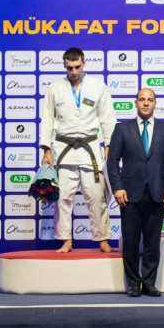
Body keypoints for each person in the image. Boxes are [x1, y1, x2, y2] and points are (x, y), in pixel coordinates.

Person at [107, 89, 164, 297]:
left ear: (155, 103)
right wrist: (117, 187)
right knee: (130, 242)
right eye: (142, 100)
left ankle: (149, 283)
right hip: (129, 194)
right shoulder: (122, 129)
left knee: (152, 241)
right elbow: (112, 161)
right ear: (136, 103)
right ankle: (133, 283)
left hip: (158, 193)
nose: (146, 103)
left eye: (150, 100)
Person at [40, 47, 115, 253]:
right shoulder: (55, 87)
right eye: (70, 67)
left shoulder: (97, 86)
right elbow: (47, 120)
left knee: (96, 196)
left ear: (84, 63)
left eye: (77, 67)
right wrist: (46, 150)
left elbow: (107, 117)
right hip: (63, 149)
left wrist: (109, 145)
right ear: (64, 65)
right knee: (63, 197)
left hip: (90, 148)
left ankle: (102, 238)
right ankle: (66, 240)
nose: (73, 71)